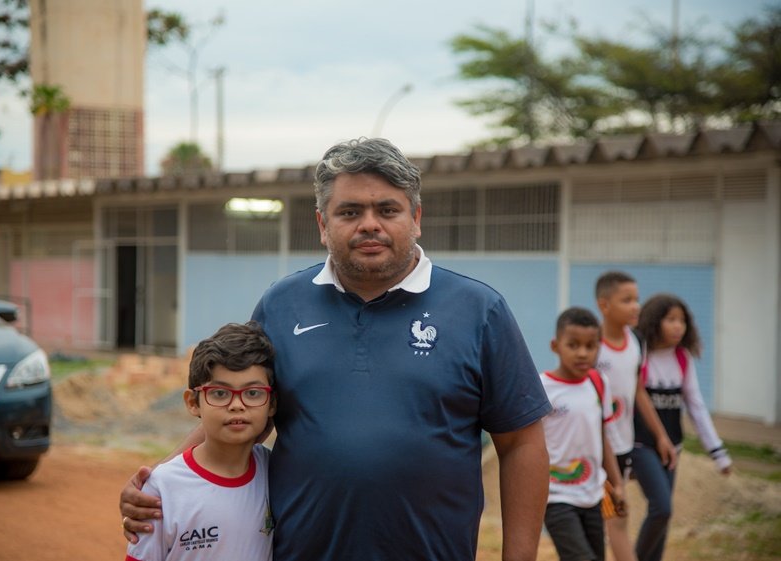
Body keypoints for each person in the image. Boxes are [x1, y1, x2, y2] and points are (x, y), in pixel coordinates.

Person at [119, 137, 553, 561]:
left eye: (387, 209)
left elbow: (521, 443)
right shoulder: (282, 304)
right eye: (349, 211)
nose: (369, 224)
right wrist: (162, 481)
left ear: (416, 217)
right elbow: (239, 407)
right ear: (323, 225)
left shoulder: (479, 310)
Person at [125, 321, 276, 561]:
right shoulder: (162, 487)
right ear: (193, 402)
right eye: (220, 393)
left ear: (272, 404)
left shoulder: (276, 473)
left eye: (253, 393)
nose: (237, 405)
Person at [633, 293, 733, 561]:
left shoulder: (682, 357)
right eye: (671, 319)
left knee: (664, 516)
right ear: (655, 321)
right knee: (661, 508)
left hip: (673, 447)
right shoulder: (639, 353)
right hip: (640, 445)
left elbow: (696, 406)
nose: (678, 326)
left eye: (682, 321)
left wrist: (718, 452)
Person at [594, 271, 678, 561]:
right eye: (627, 300)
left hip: (623, 446)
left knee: (617, 517)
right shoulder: (591, 345)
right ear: (604, 305)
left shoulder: (636, 342)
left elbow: (638, 391)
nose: (635, 306)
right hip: (594, 448)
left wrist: (661, 436)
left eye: (636, 299)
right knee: (609, 518)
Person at [541, 307, 626, 561]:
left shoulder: (599, 383)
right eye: (573, 345)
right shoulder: (541, 388)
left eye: (590, 346)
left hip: (593, 496)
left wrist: (618, 484)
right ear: (556, 346)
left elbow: (603, 438)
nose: (582, 353)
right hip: (555, 497)